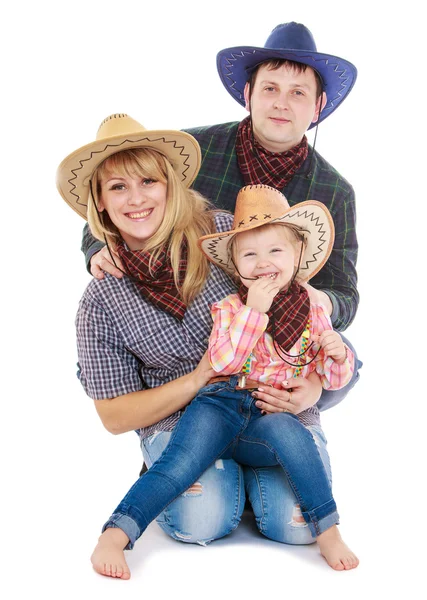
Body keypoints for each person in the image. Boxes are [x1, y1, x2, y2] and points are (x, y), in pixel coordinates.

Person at [57, 114, 357, 579]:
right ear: (100, 201)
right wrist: (200, 376)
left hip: (267, 403)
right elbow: (117, 415)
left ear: (171, 184)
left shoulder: (227, 237)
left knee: (295, 521)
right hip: (200, 408)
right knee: (198, 509)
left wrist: (318, 382)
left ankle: (315, 518)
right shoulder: (102, 294)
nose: (136, 199)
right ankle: (117, 531)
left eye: (148, 181)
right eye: (117, 188)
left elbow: (307, 328)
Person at [82, 21, 361, 414]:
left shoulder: (335, 190)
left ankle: (293, 409)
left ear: (317, 107)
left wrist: (320, 306)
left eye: (298, 93)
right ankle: (173, 434)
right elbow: (124, 201)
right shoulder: (196, 150)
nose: (282, 103)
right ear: (248, 94)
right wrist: (96, 247)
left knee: (346, 354)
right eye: (270, 88)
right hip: (204, 316)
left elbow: (346, 294)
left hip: (287, 324)